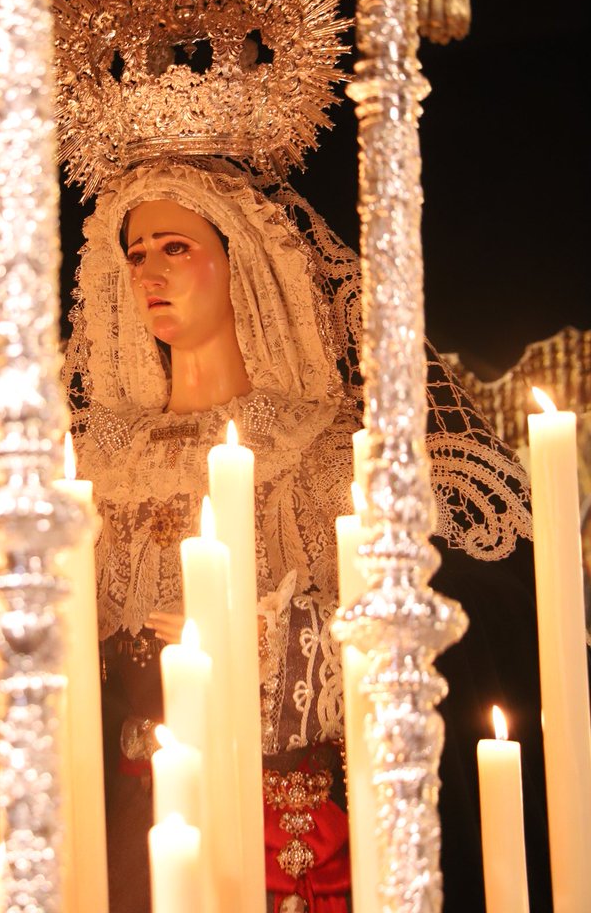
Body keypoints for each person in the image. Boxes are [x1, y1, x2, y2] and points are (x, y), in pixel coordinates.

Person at [63, 154, 548, 913]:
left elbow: (478, 619)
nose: (149, 270)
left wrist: (281, 644)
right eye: (135, 252)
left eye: (176, 246)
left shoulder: (331, 458)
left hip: (296, 847)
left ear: (245, 261)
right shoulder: (97, 475)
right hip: (132, 844)